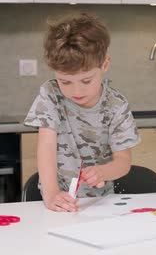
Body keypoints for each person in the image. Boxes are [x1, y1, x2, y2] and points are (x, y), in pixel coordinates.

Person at [24, 13, 140, 212]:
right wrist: (51, 193)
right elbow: (46, 146)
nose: (76, 92)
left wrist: (102, 172)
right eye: (65, 82)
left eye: (86, 81)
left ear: (104, 64)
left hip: (100, 204)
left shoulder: (115, 105)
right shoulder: (50, 95)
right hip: (57, 202)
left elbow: (123, 162)